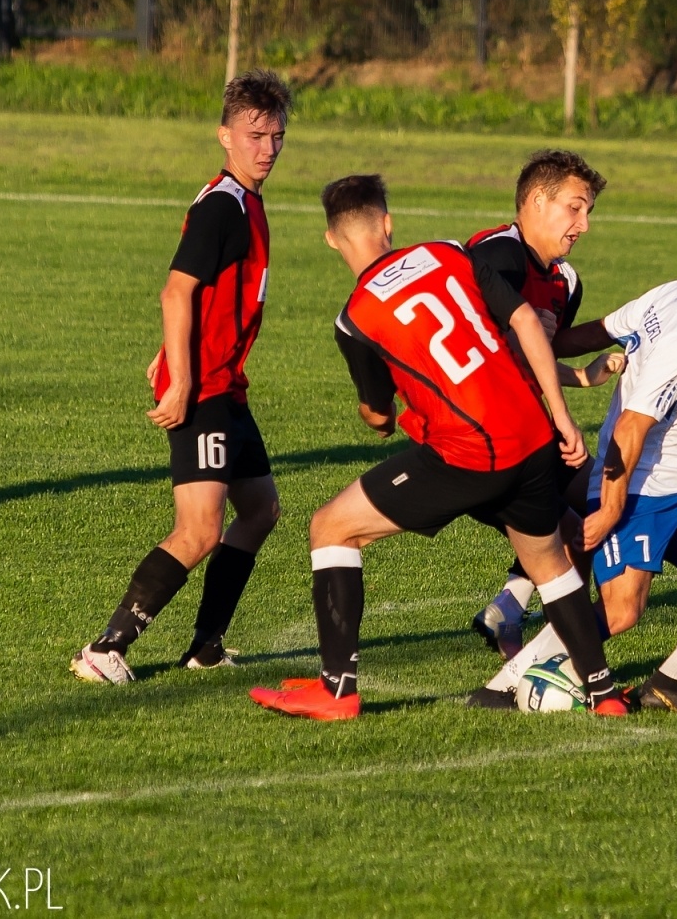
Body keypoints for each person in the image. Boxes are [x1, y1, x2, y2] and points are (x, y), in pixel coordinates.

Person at [249, 175, 628, 720]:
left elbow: (378, 413)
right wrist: (562, 416)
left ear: (332, 239)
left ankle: (336, 691)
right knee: (548, 561)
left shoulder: (353, 319)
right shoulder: (447, 252)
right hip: (531, 435)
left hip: (469, 452)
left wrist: (377, 418)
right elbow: (523, 319)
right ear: (387, 223)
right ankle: (604, 693)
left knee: (331, 527)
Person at [471, 226, 677, 713]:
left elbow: (603, 329)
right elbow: (629, 427)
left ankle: (669, 681)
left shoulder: (676, 293)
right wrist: (610, 510)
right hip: (641, 495)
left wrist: (543, 345)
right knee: (621, 613)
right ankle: (502, 686)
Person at [71, 69, 290, 685]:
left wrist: (168, 355)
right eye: (255, 135)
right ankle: (105, 647)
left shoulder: (249, 201)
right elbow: (176, 291)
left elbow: (203, 299)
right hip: (207, 390)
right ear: (225, 136)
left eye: (276, 135)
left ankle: (205, 646)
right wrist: (180, 377)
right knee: (198, 530)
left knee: (261, 509)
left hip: (224, 383)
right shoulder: (224, 206)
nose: (267, 148)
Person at [464, 150, 623, 659]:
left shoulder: (566, 282)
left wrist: (583, 375)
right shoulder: (495, 254)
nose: (584, 225)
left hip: (533, 429)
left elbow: (535, 360)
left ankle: (508, 611)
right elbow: (482, 350)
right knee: (577, 529)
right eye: (575, 208)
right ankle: (556, 656)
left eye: (589, 212)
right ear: (537, 200)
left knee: (600, 500)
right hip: (482, 434)